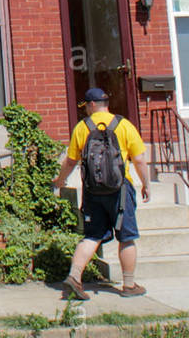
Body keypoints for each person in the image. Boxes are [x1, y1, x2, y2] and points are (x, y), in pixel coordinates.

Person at [50, 88, 152, 300]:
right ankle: (129, 285)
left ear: (92, 105)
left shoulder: (82, 127)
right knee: (126, 237)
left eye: (86, 106)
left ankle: (75, 277)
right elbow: (140, 160)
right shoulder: (123, 125)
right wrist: (146, 184)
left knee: (92, 236)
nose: (86, 110)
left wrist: (60, 181)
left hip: (92, 191)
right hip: (120, 189)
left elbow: (71, 161)